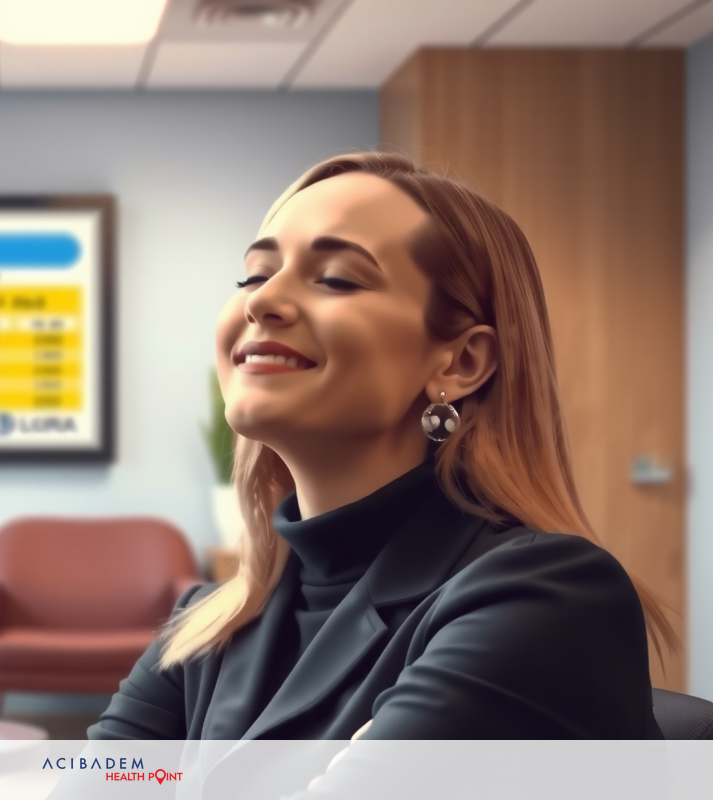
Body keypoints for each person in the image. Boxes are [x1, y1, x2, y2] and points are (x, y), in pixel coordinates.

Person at [89, 152, 672, 740]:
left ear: (461, 361)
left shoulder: (547, 599)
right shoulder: (209, 621)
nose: (260, 302)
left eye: (337, 278)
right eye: (255, 275)